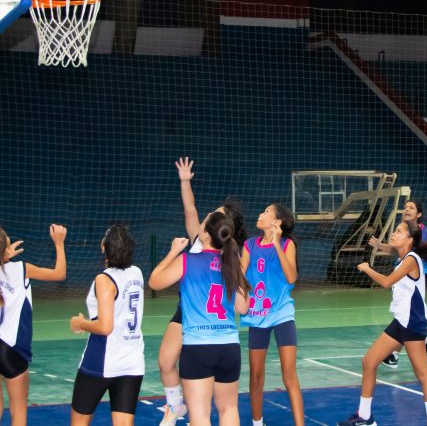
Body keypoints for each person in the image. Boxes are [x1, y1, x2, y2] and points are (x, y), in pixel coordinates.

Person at [158, 158, 246, 426]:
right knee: (165, 361)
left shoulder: (225, 254)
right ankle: (175, 407)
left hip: (203, 327)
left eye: (214, 214)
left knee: (204, 409)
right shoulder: (208, 244)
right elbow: (190, 209)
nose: (208, 215)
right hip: (198, 316)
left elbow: (156, 280)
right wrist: (185, 181)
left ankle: (185, 407)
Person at [337, 220, 427, 426]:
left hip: (413, 323)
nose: (393, 233)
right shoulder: (402, 259)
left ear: (410, 240)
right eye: (394, 230)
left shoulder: (411, 259)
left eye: (398, 231)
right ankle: (365, 417)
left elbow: (386, 282)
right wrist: (380, 246)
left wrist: (367, 268)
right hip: (400, 321)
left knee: (423, 374)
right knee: (369, 362)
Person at [0, 224, 67, 426]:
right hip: (11, 349)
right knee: (18, 413)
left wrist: (3, 257)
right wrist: (59, 243)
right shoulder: (20, 269)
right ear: (5, 249)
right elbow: (59, 274)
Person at [69, 225, 145, 426]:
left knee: (79, 422)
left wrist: (81, 323)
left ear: (104, 247)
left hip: (102, 360)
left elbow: (105, 327)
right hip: (132, 361)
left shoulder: (104, 279)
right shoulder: (137, 273)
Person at [241, 204, 303, 426]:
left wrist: (276, 243)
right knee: (256, 377)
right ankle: (258, 423)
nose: (260, 214)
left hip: (282, 315)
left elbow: (291, 278)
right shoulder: (249, 245)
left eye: (267, 212)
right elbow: (241, 276)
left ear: (278, 222)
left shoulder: (287, 245)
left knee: (289, 376)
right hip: (258, 316)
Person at [368, 199, 427, 368]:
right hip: (404, 273)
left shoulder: (426, 233)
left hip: (418, 276)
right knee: (403, 315)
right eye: (405, 207)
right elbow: (393, 249)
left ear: (418, 214)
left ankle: (423, 340)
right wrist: (379, 245)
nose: (406, 210)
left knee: (409, 315)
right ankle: (396, 352)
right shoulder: (402, 231)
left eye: (411, 208)